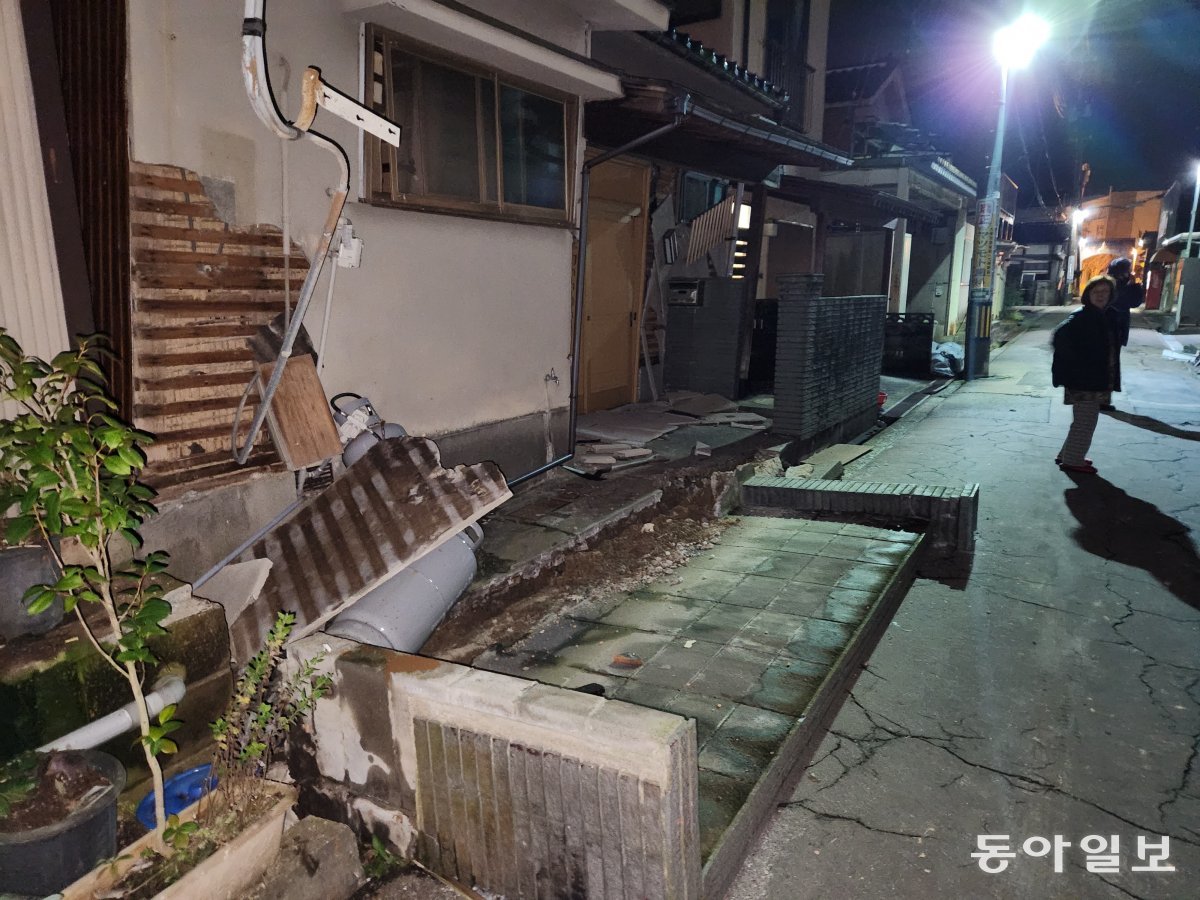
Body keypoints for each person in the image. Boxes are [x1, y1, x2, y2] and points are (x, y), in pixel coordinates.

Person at [1051, 275, 1121, 474]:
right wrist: (1075, 366)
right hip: (1084, 380)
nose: (1100, 296)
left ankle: (1068, 454)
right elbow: (1060, 338)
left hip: (1096, 379)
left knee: (1084, 419)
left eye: (1105, 292)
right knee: (1086, 421)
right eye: (1096, 292)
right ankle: (1073, 459)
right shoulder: (1082, 317)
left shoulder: (1104, 316)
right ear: (1087, 294)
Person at [1101, 257, 1145, 409]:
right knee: (1108, 365)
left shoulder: (1115, 283)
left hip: (1114, 330)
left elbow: (1134, 302)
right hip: (1109, 329)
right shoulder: (1111, 285)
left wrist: (1134, 285)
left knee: (1108, 364)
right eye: (1126, 270)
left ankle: (1103, 399)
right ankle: (1102, 400)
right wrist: (1133, 285)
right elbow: (1130, 302)